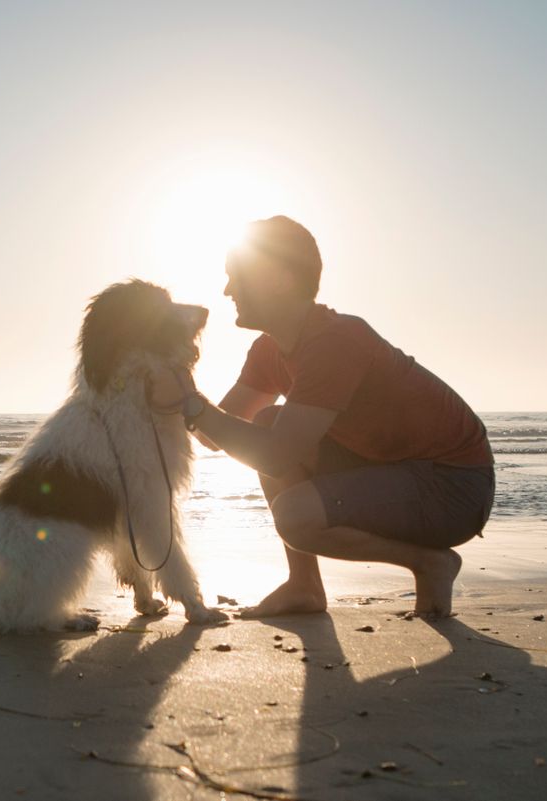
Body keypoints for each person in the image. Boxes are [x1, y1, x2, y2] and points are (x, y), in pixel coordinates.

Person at [151, 215, 494, 618]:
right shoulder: (270, 350)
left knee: (294, 515)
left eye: (236, 277)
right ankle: (305, 587)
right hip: (394, 468)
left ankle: (429, 562)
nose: (227, 290)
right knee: (264, 425)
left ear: (280, 279)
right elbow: (215, 431)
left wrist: (192, 403)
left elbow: (273, 455)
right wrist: (181, 388)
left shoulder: (334, 341)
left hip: (454, 486)